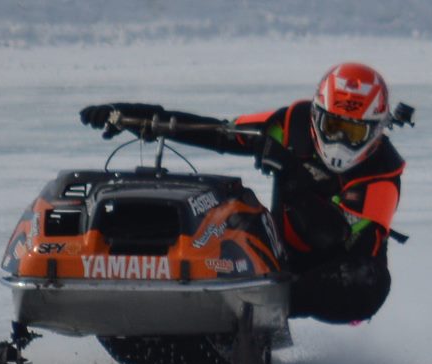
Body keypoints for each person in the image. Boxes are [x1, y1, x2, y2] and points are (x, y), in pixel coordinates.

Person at [79, 63, 410, 324]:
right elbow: (220, 132)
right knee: (231, 208)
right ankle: (173, 281)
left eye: (353, 132)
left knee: (369, 281)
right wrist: (136, 117)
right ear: (316, 116)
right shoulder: (290, 123)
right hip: (278, 251)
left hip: (333, 271)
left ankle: (258, 311)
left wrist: (290, 171)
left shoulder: (383, 174)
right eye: (334, 127)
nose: (340, 141)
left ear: (376, 131)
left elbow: (329, 235)